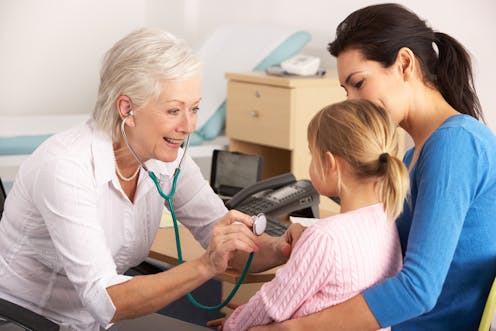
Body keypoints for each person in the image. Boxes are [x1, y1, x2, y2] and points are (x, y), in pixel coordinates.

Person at [0, 28, 298, 331]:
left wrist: (285, 246)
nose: (188, 125)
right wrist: (205, 265)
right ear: (127, 109)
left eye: (194, 108)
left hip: (95, 322)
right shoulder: (66, 168)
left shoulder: (167, 159)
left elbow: (228, 247)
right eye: (173, 110)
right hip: (27, 320)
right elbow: (106, 299)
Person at [250, 3, 496, 331]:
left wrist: (292, 328)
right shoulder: (413, 155)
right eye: (346, 90)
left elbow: (417, 290)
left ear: (405, 64)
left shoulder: (455, 144)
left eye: (359, 83)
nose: (352, 101)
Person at [217, 99, 409, 331]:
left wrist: (234, 323)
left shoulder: (325, 237)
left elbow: (272, 304)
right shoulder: (386, 219)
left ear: (329, 163)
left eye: (312, 154)